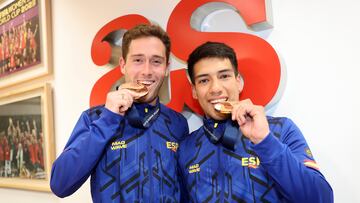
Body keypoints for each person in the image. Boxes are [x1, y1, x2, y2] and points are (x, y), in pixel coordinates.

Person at [178, 41, 333, 202]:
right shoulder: (186, 148)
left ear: (238, 82)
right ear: (194, 91)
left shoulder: (280, 129)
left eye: (224, 76)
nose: (215, 88)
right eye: (204, 80)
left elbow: (321, 198)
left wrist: (265, 141)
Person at [50, 24, 189, 202]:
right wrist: (109, 119)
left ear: (167, 68)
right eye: (138, 60)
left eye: (156, 61)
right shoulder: (95, 118)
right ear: (123, 65)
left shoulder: (177, 123)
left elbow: (185, 189)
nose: (147, 71)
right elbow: (60, 184)